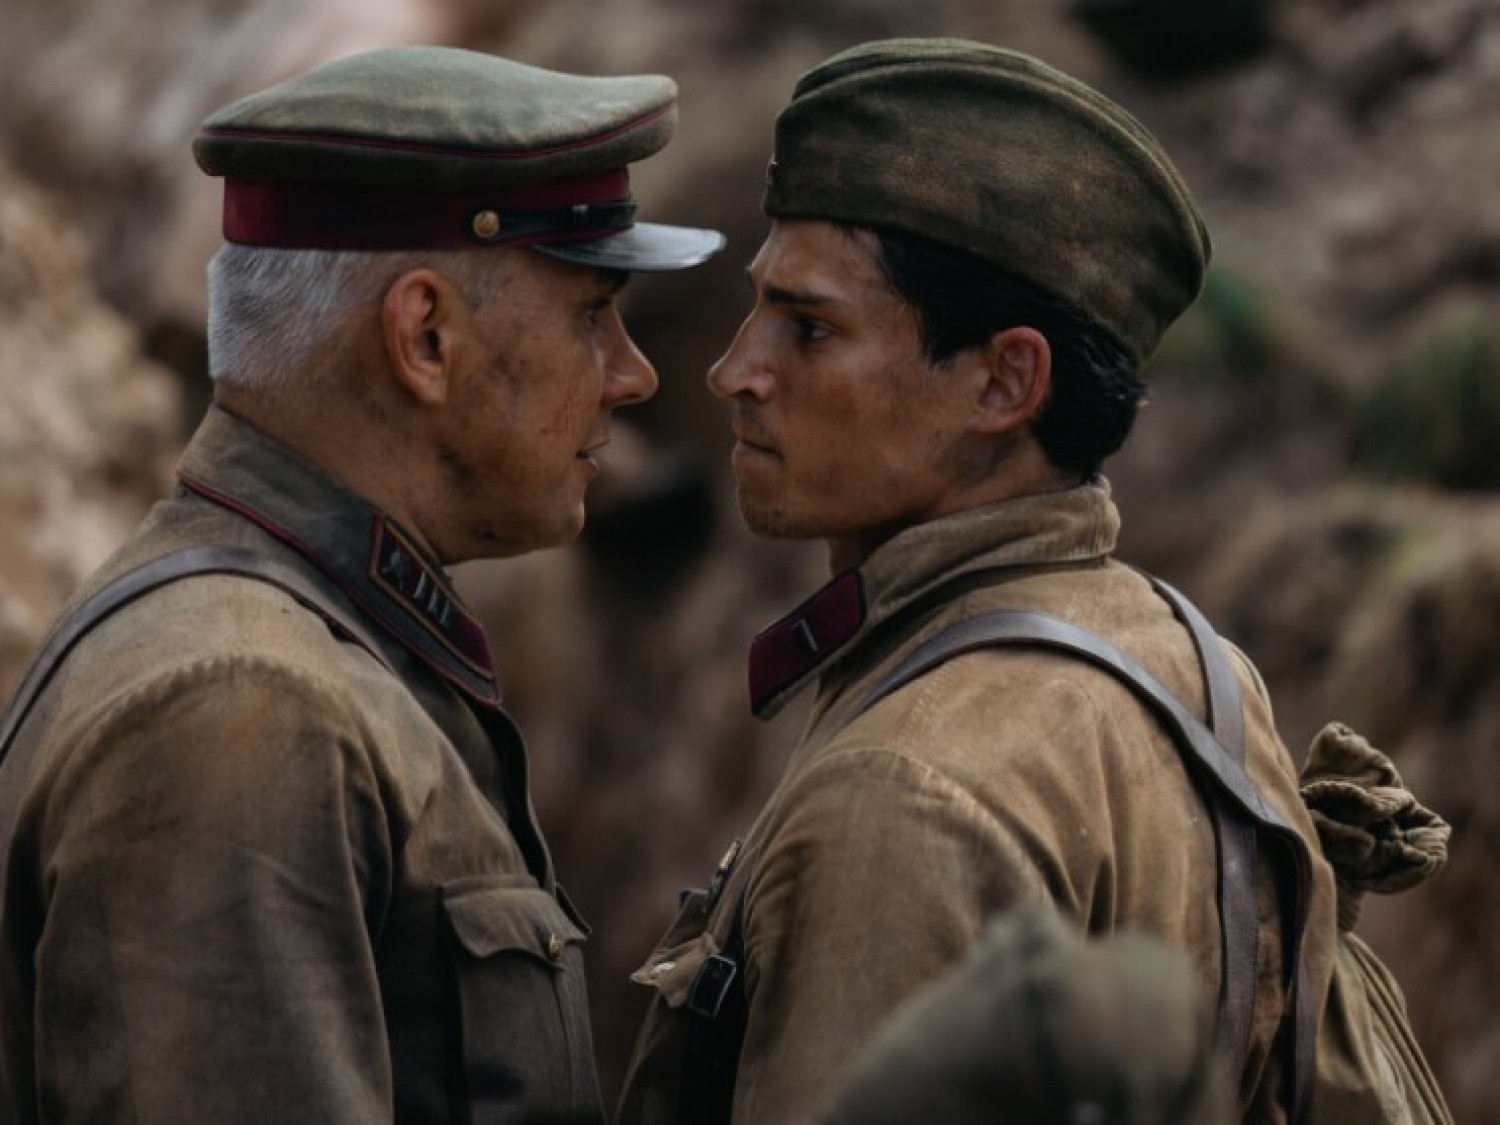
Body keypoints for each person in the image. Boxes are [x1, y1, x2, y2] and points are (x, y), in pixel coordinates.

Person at [618, 37, 1443, 1124]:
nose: (734, 372)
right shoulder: (1190, 662)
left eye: (810, 329)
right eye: (756, 310)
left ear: (1005, 382)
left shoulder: (905, 797)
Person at [0, 45, 722, 1124]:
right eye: (591, 310)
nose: (633, 371)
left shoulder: (305, 654)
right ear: (424, 337)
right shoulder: (243, 706)